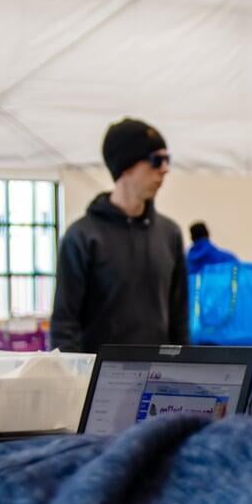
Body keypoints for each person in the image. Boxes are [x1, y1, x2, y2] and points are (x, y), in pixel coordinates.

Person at [51, 117, 188, 354]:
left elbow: (179, 319)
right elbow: (65, 324)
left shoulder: (169, 234)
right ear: (126, 166)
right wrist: (76, 382)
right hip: (100, 383)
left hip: (157, 380)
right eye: (157, 160)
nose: (165, 169)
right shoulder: (82, 237)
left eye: (168, 160)